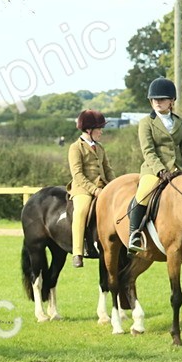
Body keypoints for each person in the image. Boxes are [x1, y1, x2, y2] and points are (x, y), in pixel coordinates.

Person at [128, 77, 182, 252]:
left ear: (171, 101)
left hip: (179, 169)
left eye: (162, 99)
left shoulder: (180, 122)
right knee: (143, 193)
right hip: (154, 169)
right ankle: (134, 235)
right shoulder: (146, 123)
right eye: (154, 99)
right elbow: (148, 151)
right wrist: (161, 170)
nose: (157, 102)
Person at [67, 109, 114, 267]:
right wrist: (94, 190)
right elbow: (77, 174)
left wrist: (115, 186)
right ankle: (77, 252)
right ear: (88, 130)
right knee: (81, 211)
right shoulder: (76, 147)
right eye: (99, 128)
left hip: (103, 186)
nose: (101, 132)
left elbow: (108, 169)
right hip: (83, 188)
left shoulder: (100, 148)